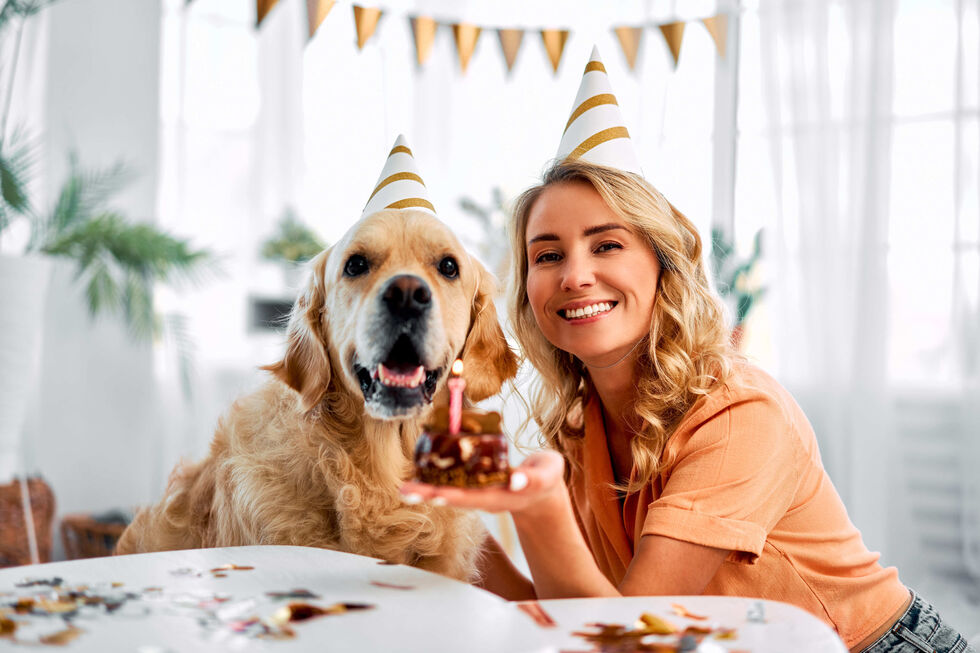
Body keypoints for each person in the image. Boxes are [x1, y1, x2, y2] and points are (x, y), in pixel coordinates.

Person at [400, 48, 976, 653]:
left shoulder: (740, 418)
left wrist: (534, 509)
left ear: (662, 266)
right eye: (547, 255)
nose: (574, 275)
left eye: (607, 245)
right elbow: (569, 614)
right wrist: (446, 524)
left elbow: (628, 639)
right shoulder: (578, 423)